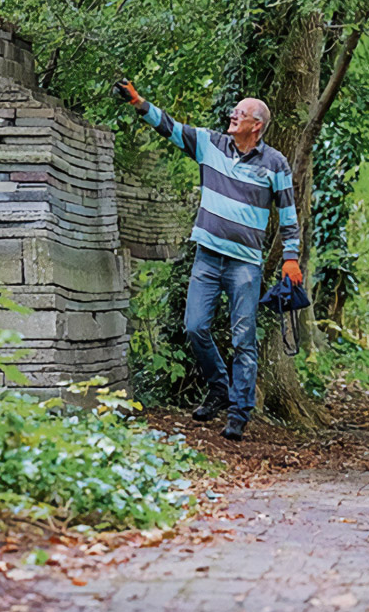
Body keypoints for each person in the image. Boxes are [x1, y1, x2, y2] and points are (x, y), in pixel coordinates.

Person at [114, 79, 302, 441]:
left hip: (245, 265)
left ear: (257, 125)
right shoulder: (210, 144)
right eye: (235, 111)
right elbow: (168, 126)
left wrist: (290, 259)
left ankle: (239, 411)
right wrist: (139, 101)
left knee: (244, 339)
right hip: (207, 258)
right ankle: (220, 388)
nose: (233, 115)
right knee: (195, 327)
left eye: (241, 113)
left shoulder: (275, 163)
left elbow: (290, 217)